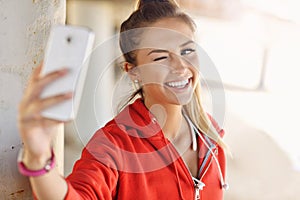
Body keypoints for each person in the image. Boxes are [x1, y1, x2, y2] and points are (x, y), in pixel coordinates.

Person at [17, 0, 229, 199]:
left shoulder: (211, 139)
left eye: (187, 50)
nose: (181, 67)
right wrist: (38, 159)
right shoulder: (113, 145)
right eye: (160, 57)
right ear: (133, 71)